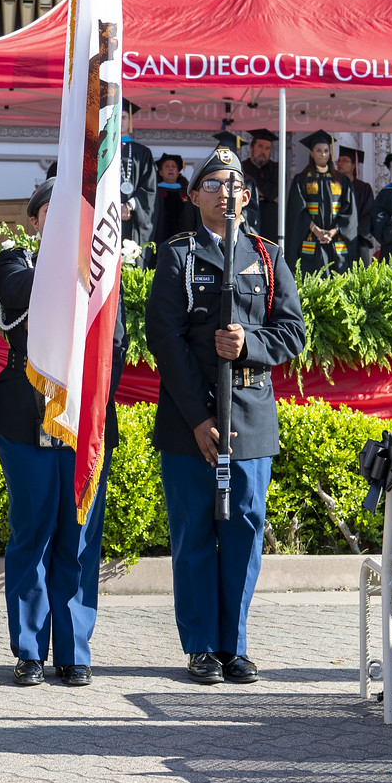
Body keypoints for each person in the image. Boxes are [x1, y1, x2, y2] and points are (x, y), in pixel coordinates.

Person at [144, 147, 306, 685]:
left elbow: (292, 334)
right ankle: (201, 647)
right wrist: (196, 418)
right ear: (193, 197)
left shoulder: (267, 255)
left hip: (251, 414)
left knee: (244, 529)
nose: (224, 191)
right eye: (211, 184)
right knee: (193, 532)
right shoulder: (178, 255)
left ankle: (234, 644)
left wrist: (250, 343)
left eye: (233, 183)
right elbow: (163, 340)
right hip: (191, 419)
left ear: (247, 193)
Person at [0, 177, 127, 686]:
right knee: (31, 536)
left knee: (79, 540)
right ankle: (29, 650)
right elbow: (18, 295)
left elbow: (119, 343)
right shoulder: (14, 260)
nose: (64, 222)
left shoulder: (101, 271)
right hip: (25, 420)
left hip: (82, 422)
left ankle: (74, 652)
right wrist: (69, 260)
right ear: (36, 220)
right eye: (54, 212)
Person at [285, 129, 357, 275]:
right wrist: (316, 230)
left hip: (335, 241)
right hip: (311, 240)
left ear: (330, 153)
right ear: (311, 153)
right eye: (318, 150)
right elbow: (297, 211)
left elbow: (349, 212)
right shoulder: (302, 179)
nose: (323, 154)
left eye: (326, 150)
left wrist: (333, 231)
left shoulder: (341, 180)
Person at [119, 100, 155, 250]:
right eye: (116, 116)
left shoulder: (142, 153)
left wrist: (129, 206)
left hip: (133, 219)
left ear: (130, 121)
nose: (120, 122)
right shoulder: (100, 151)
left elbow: (149, 188)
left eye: (124, 117)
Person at [336, 146, 379, 259]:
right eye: (339, 161)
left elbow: (368, 214)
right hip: (336, 238)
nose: (340, 163)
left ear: (354, 165)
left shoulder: (363, 188)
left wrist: (351, 233)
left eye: (344, 160)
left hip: (358, 239)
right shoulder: (332, 187)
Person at [240, 128, 282, 239]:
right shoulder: (242, 167)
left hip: (270, 221)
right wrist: (268, 196)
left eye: (267, 148)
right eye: (260, 146)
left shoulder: (277, 169)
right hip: (248, 219)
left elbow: (274, 192)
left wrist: (256, 190)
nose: (263, 151)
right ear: (251, 148)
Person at [150, 153, 189, 252]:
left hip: (182, 234)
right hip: (159, 234)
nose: (170, 169)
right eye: (166, 166)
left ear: (178, 172)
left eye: (173, 166)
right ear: (161, 172)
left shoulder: (187, 192)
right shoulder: (153, 191)